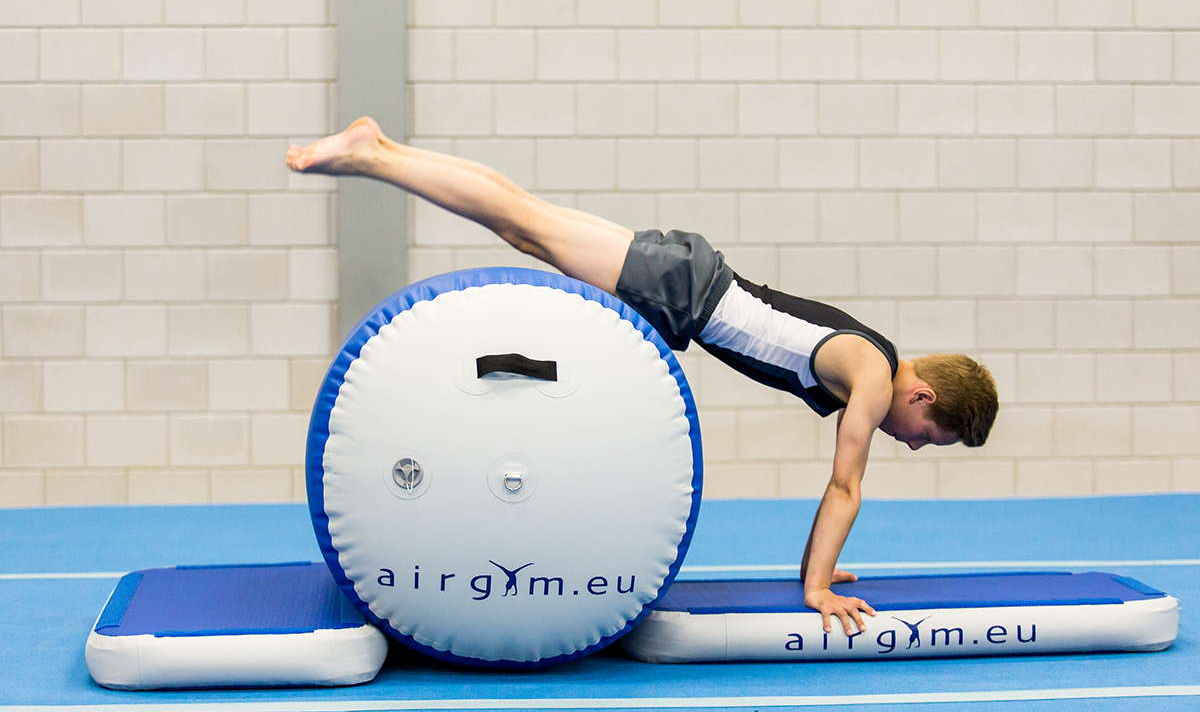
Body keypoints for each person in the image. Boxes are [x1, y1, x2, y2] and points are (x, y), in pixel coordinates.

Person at [286, 118, 999, 638]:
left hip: (690, 281)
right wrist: (815, 586)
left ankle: (379, 150)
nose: (910, 446)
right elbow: (845, 484)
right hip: (687, 291)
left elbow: (839, 490)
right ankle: (373, 158)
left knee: (524, 220)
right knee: (522, 220)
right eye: (927, 438)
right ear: (923, 396)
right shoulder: (873, 377)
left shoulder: (872, 359)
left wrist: (819, 567)